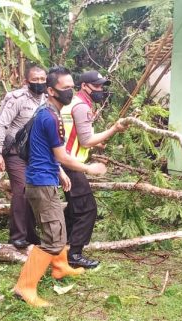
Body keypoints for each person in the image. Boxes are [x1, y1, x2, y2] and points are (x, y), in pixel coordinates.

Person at [13, 66, 108, 307]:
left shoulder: (48, 112)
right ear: (51, 90)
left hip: (47, 178)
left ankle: (60, 266)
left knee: (59, 228)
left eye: (71, 87)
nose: (69, 92)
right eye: (64, 89)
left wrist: (59, 171)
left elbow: (42, 150)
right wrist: (89, 169)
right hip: (41, 184)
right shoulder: (49, 117)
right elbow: (62, 155)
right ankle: (24, 288)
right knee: (54, 238)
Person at [59, 70, 125, 268]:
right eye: (96, 86)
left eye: (102, 86)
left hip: (62, 159)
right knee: (87, 209)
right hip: (71, 163)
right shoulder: (81, 107)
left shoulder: (71, 103)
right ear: (84, 86)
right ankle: (75, 253)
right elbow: (86, 140)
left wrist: (98, 141)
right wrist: (113, 129)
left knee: (73, 207)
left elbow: (76, 135)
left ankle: (60, 245)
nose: (100, 90)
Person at [0, 65, 48, 249]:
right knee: (21, 190)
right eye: (35, 79)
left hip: (35, 153)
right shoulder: (17, 99)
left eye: (42, 79)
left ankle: (31, 234)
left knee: (33, 191)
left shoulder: (47, 99)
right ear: (26, 81)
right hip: (15, 151)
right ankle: (17, 236)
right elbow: (1, 124)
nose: (39, 83)